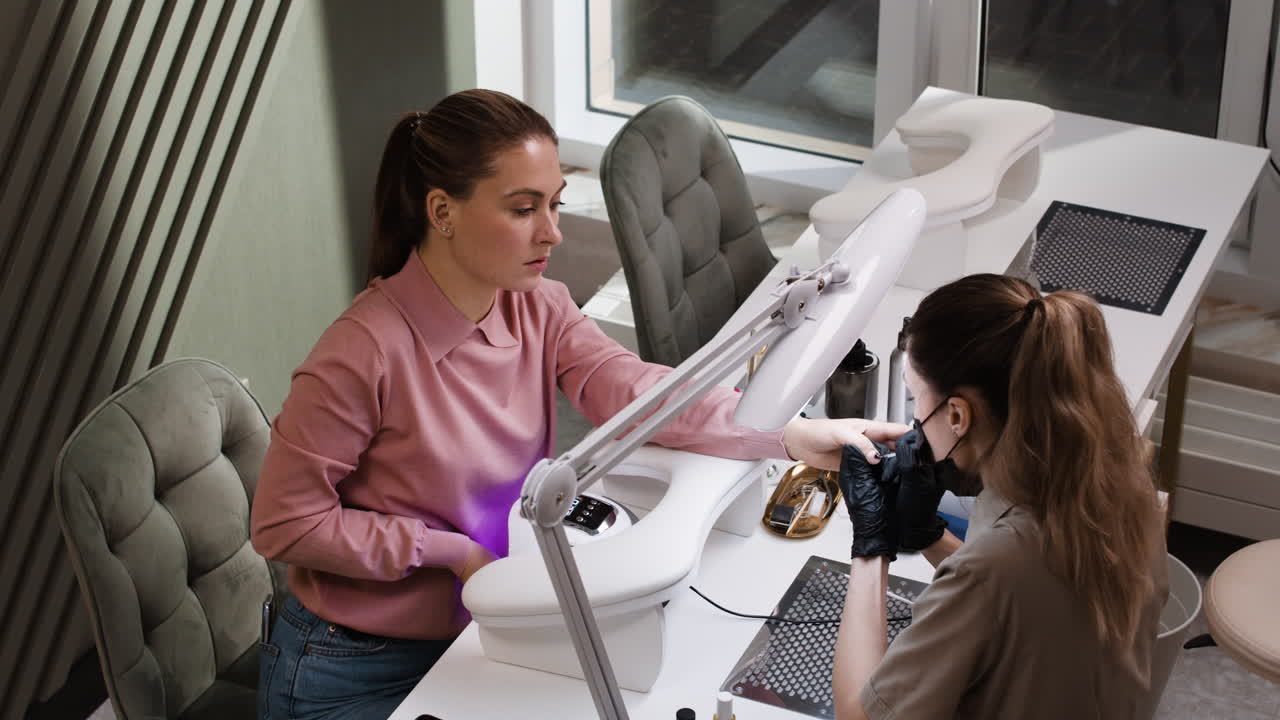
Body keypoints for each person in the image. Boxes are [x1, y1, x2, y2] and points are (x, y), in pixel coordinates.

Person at [249, 88, 889, 719]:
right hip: (352, 666)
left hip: (486, 628)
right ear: (442, 211)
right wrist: (449, 551)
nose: (551, 232)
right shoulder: (361, 353)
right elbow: (283, 524)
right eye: (524, 209)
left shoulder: (538, 305)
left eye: (554, 204)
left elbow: (638, 393)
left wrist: (789, 437)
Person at [833, 273, 1169, 719]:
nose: (914, 419)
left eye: (916, 398)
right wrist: (926, 534)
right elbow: (1029, 603)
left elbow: (860, 715)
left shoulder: (992, 570)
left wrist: (871, 543)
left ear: (957, 414)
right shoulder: (1114, 482)